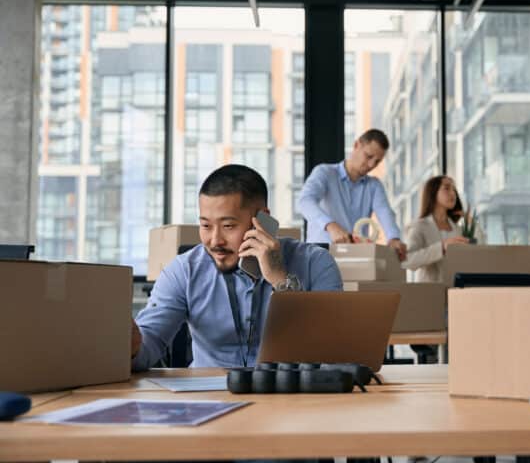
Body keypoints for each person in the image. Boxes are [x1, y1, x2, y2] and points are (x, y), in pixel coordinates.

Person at [130, 164, 343, 371]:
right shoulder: (184, 270)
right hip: (209, 398)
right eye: (205, 225)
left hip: (290, 397)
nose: (215, 241)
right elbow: (149, 344)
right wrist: (132, 346)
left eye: (228, 226)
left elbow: (331, 349)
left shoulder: (316, 263)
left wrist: (280, 281)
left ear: (262, 219)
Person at [298, 128, 407, 261]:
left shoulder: (374, 186)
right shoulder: (325, 173)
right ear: (356, 145)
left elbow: (386, 213)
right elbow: (304, 202)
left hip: (355, 259)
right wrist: (331, 226)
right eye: (369, 156)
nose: (371, 165)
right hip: (320, 257)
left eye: (377, 161)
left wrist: (394, 238)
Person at [402, 175, 480, 283]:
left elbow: (479, 251)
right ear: (433, 193)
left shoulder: (458, 229)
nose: (453, 193)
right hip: (430, 294)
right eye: (447, 188)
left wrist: (471, 222)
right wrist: (441, 248)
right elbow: (408, 260)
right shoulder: (420, 226)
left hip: (456, 292)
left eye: (454, 189)